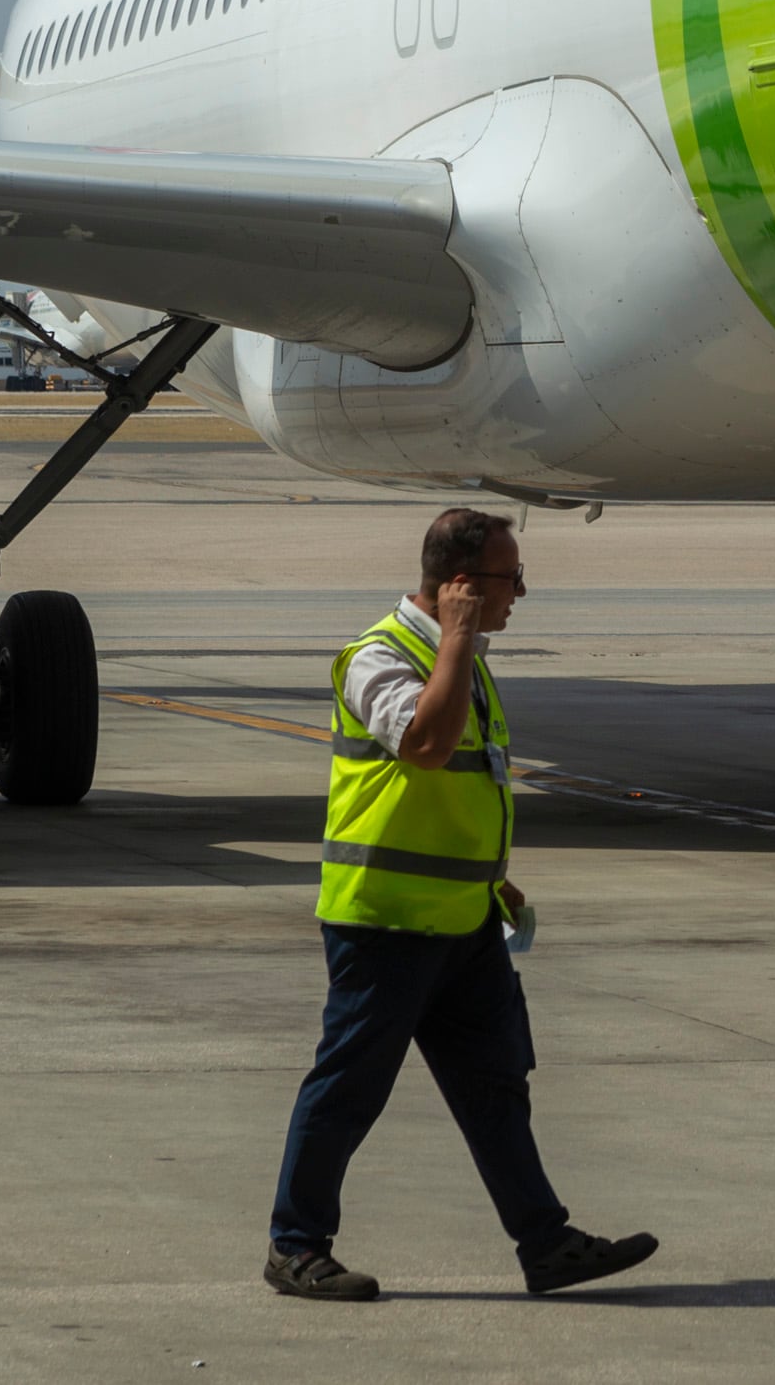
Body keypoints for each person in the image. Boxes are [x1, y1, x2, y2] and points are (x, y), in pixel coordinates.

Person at [265, 506, 657, 1301]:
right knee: (348, 1089)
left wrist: (487, 876)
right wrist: (453, 638)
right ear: (460, 586)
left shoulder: (463, 659)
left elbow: (461, 783)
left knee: (496, 1083)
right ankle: (295, 1245)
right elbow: (426, 746)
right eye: (509, 578)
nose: (520, 593)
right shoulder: (379, 656)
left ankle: (544, 1241)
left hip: (463, 918)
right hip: (387, 922)